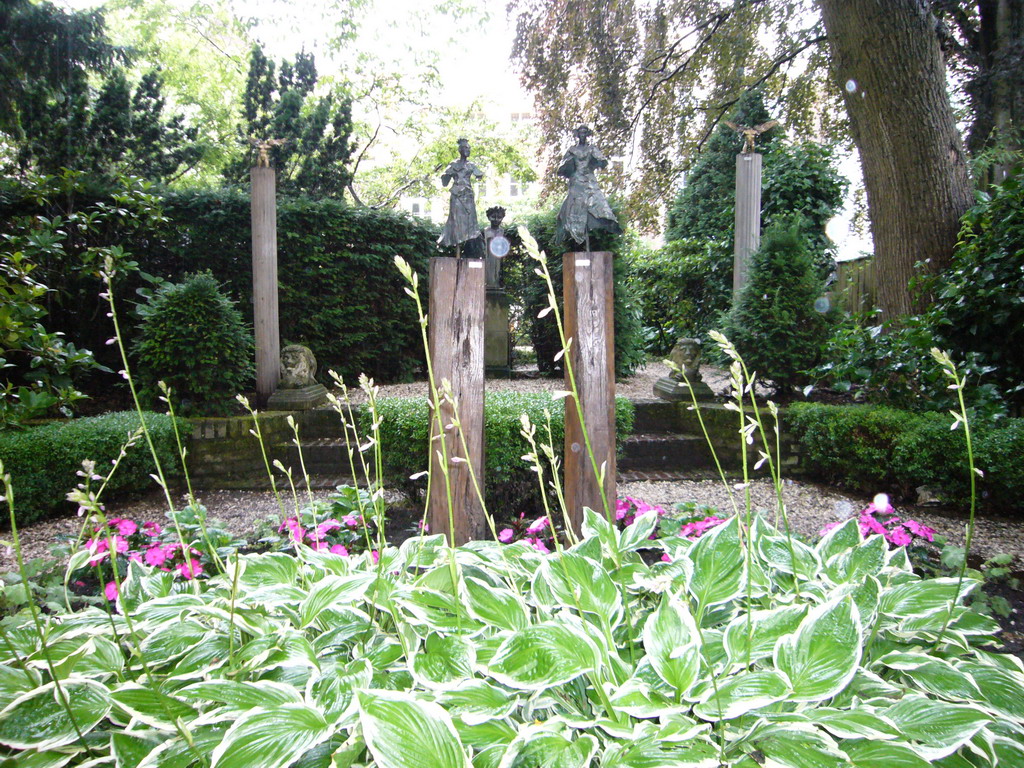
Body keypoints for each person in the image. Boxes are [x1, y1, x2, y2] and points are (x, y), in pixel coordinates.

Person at [555, 125, 621, 247]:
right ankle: (575, 229)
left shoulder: (592, 149)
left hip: (589, 179)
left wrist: (600, 162)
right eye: (580, 132)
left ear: (587, 134)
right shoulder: (572, 150)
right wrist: (566, 165)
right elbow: (562, 166)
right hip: (576, 180)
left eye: (585, 132)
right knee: (575, 206)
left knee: (598, 201)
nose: (582, 135)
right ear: (577, 135)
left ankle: (607, 219)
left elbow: (603, 161)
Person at [438, 138, 484, 251]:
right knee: (455, 220)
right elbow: (444, 182)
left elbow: (479, 175)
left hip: (468, 196)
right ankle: (454, 241)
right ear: (460, 149)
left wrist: (479, 175)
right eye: (465, 147)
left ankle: (468, 243)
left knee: (471, 221)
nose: (468, 149)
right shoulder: (453, 164)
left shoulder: (471, 165)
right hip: (457, 196)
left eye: (469, 147)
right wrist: (446, 175)